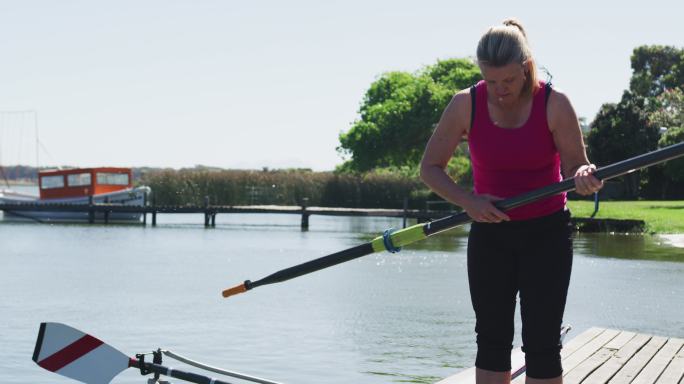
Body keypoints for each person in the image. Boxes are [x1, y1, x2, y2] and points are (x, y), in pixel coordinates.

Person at [419, 19, 603, 384]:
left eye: (509, 81)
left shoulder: (555, 103)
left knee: (542, 344)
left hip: (546, 234)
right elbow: (430, 168)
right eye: (491, 82)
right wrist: (467, 200)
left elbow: (576, 166)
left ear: (526, 67)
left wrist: (584, 176)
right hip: (490, 234)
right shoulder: (464, 104)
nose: (500, 90)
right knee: (491, 340)